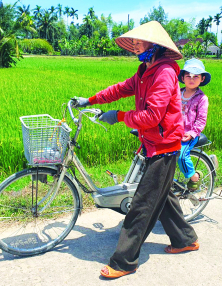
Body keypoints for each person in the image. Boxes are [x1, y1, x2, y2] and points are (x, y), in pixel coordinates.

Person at [75, 21, 199, 279]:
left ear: (154, 45)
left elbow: (153, 116)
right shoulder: (145, 70)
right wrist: (91, 99)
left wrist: (119, 116)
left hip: (165, 147)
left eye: (139, 43)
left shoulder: (164, 72)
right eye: (134, 43)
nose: (135, 48)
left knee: (141, 205)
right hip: (153, 143)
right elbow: (121, 88)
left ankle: (124, 261)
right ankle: (185, 239)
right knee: (162, 197)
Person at [177, 58, 211, 191]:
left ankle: (194, 176)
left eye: (196, 76)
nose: (192, 79)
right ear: (183, 78)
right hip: (173, 131)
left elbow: (201, 120)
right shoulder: (177, 93)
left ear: (202, 79)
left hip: (188, 133)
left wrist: (191, 134)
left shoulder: (202, 98)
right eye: (188, 76)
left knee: (181, 155)